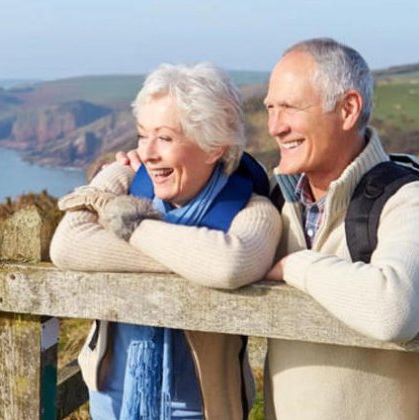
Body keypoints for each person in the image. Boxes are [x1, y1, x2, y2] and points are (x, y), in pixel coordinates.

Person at [50, 62, 281, 419]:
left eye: (166, 138)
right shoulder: (131, 186)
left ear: (214, 146)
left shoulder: (252, 211)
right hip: (112, 399)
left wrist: (128, 225)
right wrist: (118, 173)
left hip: (200, 409)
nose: (148, 153)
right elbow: (67, 244)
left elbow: (228, 264)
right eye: (143, 135)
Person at [262, 38, 419, 419]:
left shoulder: (407, 198)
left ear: (348, 109)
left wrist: (295, 266)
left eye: (289, 108)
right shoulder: (277, 197)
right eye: (270, 108)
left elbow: (394, 310)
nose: (274, 127)